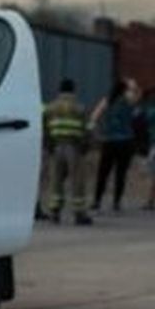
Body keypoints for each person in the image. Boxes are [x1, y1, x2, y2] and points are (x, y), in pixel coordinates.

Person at [42, 78, 93, 225]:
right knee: (77, 181)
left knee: (55, 180)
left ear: (59, 90)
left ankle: (54, 212)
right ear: (73, 90)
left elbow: (45, 129)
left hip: (56, 147)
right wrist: (86, 146)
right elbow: (87, 129)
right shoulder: (79, 108)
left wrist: (48, 145)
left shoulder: (50, 108)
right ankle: (79, 214)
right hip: (74, 148)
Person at [89, 78, 137, 212]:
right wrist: (132, 85)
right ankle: (116, 202)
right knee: (120, 173)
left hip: (109, 141)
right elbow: (136, 95)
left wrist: (96, 134)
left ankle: (97, 200)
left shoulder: (107, 101)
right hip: (126, 141)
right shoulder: (128, 100)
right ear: (125, 89)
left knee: (103, 172)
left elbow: (94, 118)